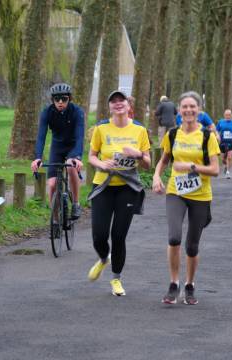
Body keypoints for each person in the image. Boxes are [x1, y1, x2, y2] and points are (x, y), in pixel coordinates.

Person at [152, 91, 220, 305]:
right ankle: (174, 283)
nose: (189, 110)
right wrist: (156, 177)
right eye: (185, 107)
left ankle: (189, 284)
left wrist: (191, 167)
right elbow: (164, 161)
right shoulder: (172, 135)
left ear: (199, 111)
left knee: (192, 246)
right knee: (174, 237)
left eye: (193, 107)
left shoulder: (207, 137)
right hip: (176, 192)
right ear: (179, 111)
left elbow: (215, 170)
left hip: (200, 195)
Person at [87, 90, 151, 296]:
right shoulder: (101, 128)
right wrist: (102, 164)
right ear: (109, 107)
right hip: (103, 185)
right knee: (99, 235)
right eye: (113, 101)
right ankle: (104, 258)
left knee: (118, 236)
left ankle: (116, 279)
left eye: (120, 100)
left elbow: (148, 164)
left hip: (127, 188)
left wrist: (139, 154)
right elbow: (91, 156)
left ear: (128, 105)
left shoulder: (139, 130)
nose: (117, 103)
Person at [31, 83, 84, 220]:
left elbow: (79, 137)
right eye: (57, 99)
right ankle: (54, 220)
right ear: (52, 100)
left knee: (71, 167)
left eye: (64, 99)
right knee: (53, 184)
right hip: (57, 147)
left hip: (73, 147)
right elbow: (41, 137)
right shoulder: (47, 112)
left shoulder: (77, 112)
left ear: (69, 99)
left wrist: (77, 157)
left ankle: (76, 203)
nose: (60, 102)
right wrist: (37, 157)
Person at [216, 109, 232, 179]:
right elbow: (217, 130)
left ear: (231, 115)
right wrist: (217, 136)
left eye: (229, 115)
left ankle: (228, 172)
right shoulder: (220, 122)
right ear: (224, 115)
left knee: (229, 157)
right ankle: (226, 165)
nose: (228, 116)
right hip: (223, 143)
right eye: (226, 115)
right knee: (223, 159)